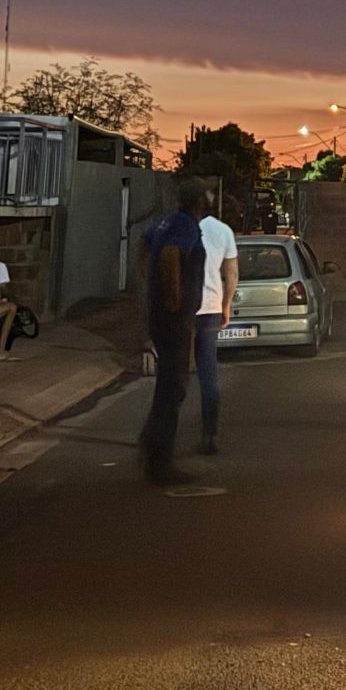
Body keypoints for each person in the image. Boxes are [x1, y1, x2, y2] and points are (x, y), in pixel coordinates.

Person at [134, 183, 209, 486]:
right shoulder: (186, 226)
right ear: (199, 205)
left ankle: (153, 442)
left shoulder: (166, 221)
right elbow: (169, 254)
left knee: (169, 382)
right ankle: (159, 459)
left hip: (161, 316)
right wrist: (173, 297)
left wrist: (150, 283)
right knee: (174, 385)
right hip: (174, 319)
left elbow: (145, 245)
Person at [192, 200, 240, 457]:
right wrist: (226, 306)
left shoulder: (186, 228)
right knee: (209, 375)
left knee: (174, 373)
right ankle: (209, 435)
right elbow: (232, 274)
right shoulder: (224, 232)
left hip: (182, 310)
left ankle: (163, 434)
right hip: (210, 309)